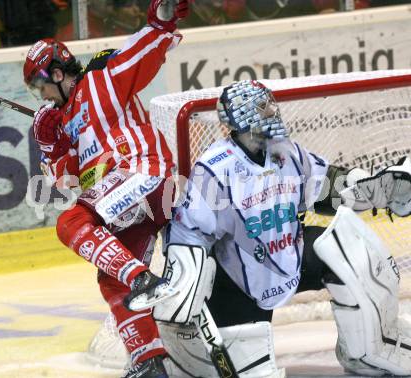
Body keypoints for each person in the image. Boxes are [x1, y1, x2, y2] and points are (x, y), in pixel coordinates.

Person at [154, 80, 411, 377]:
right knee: (245, 369)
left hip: (291, 255)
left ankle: (365, 352)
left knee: (351, 249)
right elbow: (189, 233)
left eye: (270, 106)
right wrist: (185, 282)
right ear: (238, 121)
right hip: (239, 281)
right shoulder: (215, 167)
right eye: (262, 110)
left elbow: (324, 186)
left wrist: (369, 188)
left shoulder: (285, 151)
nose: (271, 114)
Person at [23, 1, 190, 377]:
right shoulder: (62, 123)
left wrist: (162, 19)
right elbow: (70, 181)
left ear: (59, 72)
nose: (42, 96)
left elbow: (148, 45)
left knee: (70, 223)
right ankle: (149, 362)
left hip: (145, 174)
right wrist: (52, 146)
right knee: (111, 276)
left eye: (41, 86)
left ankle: (142, 278)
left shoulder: (103, 78)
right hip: (124, 201)